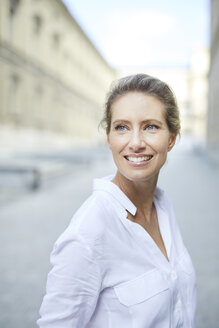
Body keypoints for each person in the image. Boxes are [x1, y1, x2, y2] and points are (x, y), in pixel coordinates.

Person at [37, 74, 196, 328]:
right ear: (109, 138)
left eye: (150, 126)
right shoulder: (89, 232)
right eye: (122, 127)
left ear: (172, 138)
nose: (135, 143)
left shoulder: (164, 208)